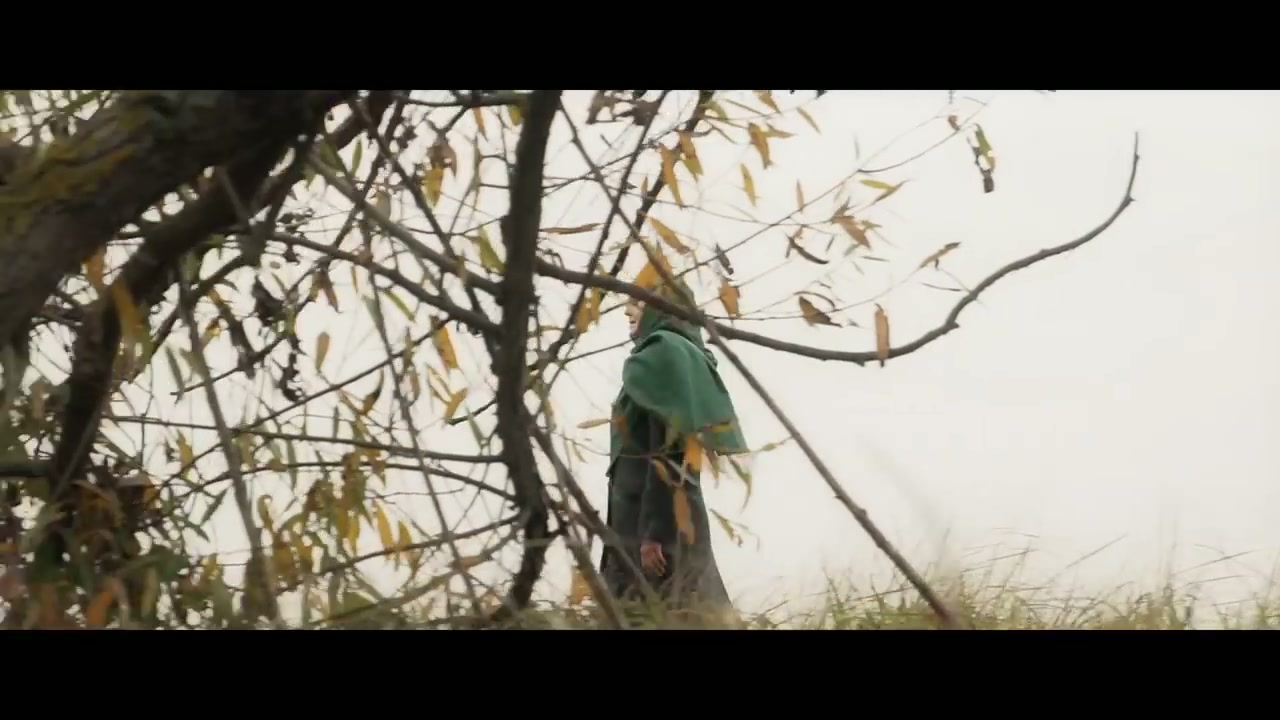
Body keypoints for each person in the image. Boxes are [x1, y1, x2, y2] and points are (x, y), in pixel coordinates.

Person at [598, 279, 750, 627]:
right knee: (690, 613)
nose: (627, 312)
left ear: (661, 308)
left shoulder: (663, 352)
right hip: (660, 521)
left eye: (637, 304)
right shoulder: (681, 354)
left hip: (653, 529)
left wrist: (654, 533)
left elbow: (671, 451)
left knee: (666, 613)